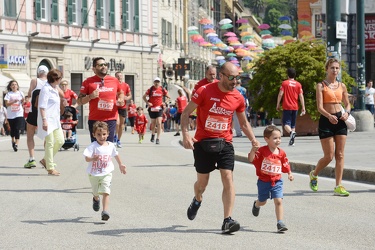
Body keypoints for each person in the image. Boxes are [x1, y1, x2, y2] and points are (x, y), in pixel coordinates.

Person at [181, 62, 260, 234]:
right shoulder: (204, 91)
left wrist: (253, 140)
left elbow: (244, 122)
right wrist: (186, 134)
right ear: (221, 76)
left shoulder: (237, 97)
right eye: (231, 77)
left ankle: (227, 220)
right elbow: (186, 113)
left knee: (228, 177)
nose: (234, 81)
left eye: (237, 78)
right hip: (203, 143)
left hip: (225, 142)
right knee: (202, 184)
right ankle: (197, 199)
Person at [309, 58, 352, 196]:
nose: (335, 70)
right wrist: (329, 115)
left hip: (340, 120)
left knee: (340, 154)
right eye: (332, 68)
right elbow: (319, 107)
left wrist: (347, 112)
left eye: (337, 68)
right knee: (328, 156)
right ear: (327, 69)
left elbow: (347, 103)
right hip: (326, 121)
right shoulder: (321, 85)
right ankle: (314, 174)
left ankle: (338, 186)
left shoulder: (342, 86)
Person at [248, 125, 294, 232]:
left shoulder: (281, 152)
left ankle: (280, 223)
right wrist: (253, 151)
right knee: (262, 201)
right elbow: (251, 159)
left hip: (277, 181)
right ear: (266, 139)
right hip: (264, 181)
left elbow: (285, 163)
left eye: (279, 138)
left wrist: (289, 173)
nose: (278, 140)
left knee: (278, 201)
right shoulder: (262, 151)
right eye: (275, 138)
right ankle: (256, 204)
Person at [83, 121, 126, 221]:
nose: (101, 137)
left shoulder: (111, 145)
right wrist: (93, 158)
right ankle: (95, 199)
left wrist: (121, 164)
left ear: (108, 134)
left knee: (106, 192)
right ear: (94, 135)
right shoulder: (92, 146)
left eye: (104, 134)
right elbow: (86, 158)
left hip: (107, 172)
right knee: (96, 192)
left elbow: (116, 154)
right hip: (94, 174)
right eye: (98, 134)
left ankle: (105, 211)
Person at [77, 57, 125, 143]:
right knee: (96, 148)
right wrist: (90, 96)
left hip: (110, 119)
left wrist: (121, 98)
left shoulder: (114, 80)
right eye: (100, 65)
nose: (104, 66)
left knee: (108, 146)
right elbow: (79, 101)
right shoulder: (88, 82)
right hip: (95, 120)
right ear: (94, 68)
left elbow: (120, 92)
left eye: (105, 64)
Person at [37, 69, 65, 176]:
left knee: (60, 141)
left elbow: (63, 95)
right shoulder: (46, 89)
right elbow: (42, 106)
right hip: (47, 119)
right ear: (55, 79)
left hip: (55, 119)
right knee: (49, 143)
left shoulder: (54, 88)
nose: (61, 80)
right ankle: (50, 167)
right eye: (60, 78)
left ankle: (45, 160)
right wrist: (44, 120)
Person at [24, 65, 49, 168]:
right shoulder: (50, 82)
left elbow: (30, 94)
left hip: (34, 111)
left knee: (30, 135)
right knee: (47, 137)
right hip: (46, 112)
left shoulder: (35, 81)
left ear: (38, 72)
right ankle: (46, 159)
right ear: (47, 72)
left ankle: (32, 159)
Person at [276, 68, 305, 146]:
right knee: (293, 124)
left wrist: (278, 104)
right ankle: (292, 141)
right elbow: (301, 96)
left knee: (285, 123)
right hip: (295, 106)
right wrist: (303, 107)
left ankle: (291, 133)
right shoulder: (298, 84)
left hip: (287, 106)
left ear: (287, 74)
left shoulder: (284, 83)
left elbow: (280, 94)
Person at [142, 77, 170, 145]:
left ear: (159, 83)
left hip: (159, 108)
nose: (156, 83)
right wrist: (147, 103)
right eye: (155, 82)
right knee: (153, 123)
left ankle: (158, 138)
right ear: (153, 82)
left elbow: (168, 97)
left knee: (159, 123)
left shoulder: (162, 89)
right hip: (152, 108)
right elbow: (144, 97)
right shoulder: (151, 89)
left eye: (158, 82)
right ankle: (153, 134)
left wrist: (165, 102)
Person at [4, 80, 25, 151]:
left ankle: (16, 144)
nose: (14, 86)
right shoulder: (8, 94)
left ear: (17, 86)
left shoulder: (21, 93)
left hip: (19, 113)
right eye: (13, 85)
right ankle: (13, 141)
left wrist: (23, 101)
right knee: (12, 129)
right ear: (10, 86)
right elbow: (7, 104)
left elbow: (23, 101)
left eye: (15, 84)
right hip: (11, 114)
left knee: (17, 128)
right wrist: (13, 101)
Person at [114, 71, 132, 148]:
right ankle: (115, 136)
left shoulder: (126, 85)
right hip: (115, 107)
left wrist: (127, 98)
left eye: (120, 76)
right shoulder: (113, 85)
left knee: (121, 125)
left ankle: (118, 140)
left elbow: (129, 95)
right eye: (117, 76)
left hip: (123, 107)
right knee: (117, 123)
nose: (119, 77)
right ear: (115, 77)